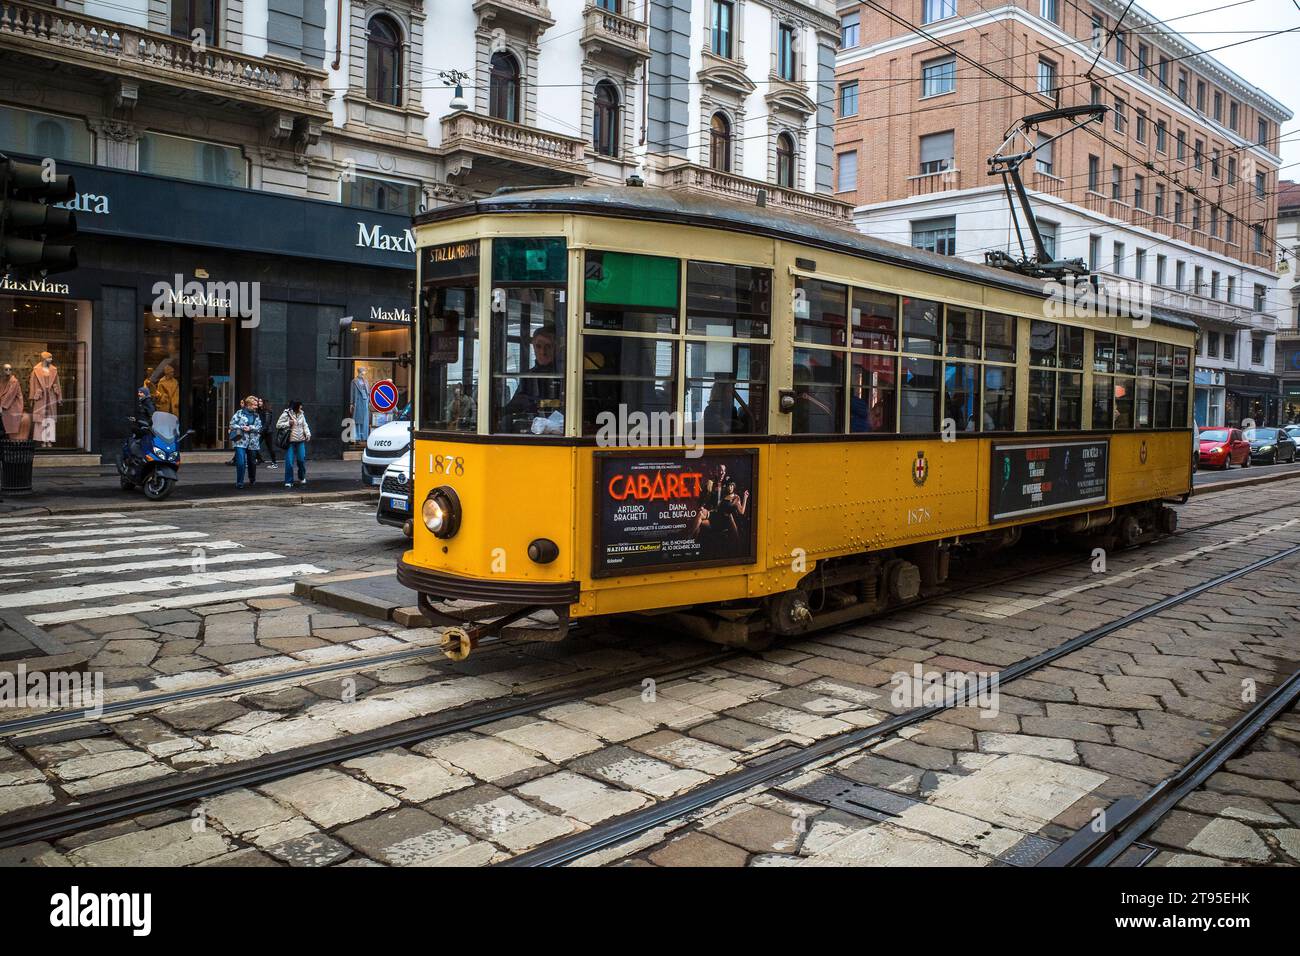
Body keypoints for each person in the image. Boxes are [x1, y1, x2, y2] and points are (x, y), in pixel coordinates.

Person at [228, 395, 262, 489]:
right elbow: (232, 425)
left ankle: (252, 479)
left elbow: (259, 427)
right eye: (254, 405)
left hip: (253, 442)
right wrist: (241, 427)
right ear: (248, 405)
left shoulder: (256, 415)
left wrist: (250, 428)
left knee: (252, 462)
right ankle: (240, 482)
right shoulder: (239, 413)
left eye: (256, 405)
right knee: (241, 462)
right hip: (240, 441)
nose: (256, 407)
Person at [277, 400, 311, 487]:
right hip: (290, 442)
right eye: (300, 406)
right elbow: (278, 425)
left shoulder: (301, 414)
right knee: (289, 462)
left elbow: (305, 425)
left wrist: (307, 434)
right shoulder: (286, 414)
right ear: (295, 406)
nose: (301, 407)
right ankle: (289, 481)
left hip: (300, 441)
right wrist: (288, 423)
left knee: (301, 460)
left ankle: (301, 477)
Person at [256, 397, 277, 465]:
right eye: (258, 401)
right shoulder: (259, 411)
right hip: (262, 431)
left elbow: (267, 423)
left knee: (270, 447)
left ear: (264, 403)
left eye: (261, 401)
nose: (259, 403)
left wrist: (260, 431)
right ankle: (259, 459)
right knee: (255, 445)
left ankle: (274, 462)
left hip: (267, 432)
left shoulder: (267, 411)